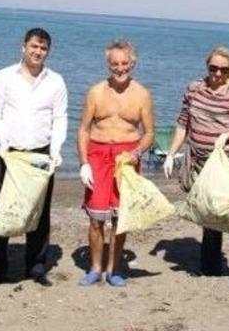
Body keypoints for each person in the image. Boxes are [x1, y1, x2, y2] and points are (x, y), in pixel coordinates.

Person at [163, 46, 229, 279]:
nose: (217, 74)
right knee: (208, 211)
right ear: (207, 67)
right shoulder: (194, 89)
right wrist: (170, 154)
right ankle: (210, 266)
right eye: (213, 68)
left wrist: (228, 135)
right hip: (202, 163)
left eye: (223, 70)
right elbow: (182, 124)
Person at [0, 28, 67, 288]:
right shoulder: (4, 77)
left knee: (39, 214)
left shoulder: (56, 82)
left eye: (43, 48)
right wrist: (2, 140)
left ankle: (37, 268)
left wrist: (56, 149)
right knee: (2, 210)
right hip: (9, 154)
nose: (37, 52)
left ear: (48, 52)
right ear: (23, 47)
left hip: (41, 155)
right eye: (34, 46)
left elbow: (59, 117)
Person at [77, 40, 155, 287]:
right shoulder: (96, 92)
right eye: (115, 64)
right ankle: (95, 267)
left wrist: (137, 152)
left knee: (121, 217)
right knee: (95, 217)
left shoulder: (142, 94)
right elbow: (83, 129)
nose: (120, 69)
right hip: (98, 155)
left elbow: (149, 133)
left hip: (126, 158)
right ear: (108, 64)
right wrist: (83, 163)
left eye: (124, 64)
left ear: (132, 63)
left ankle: (114, 269)